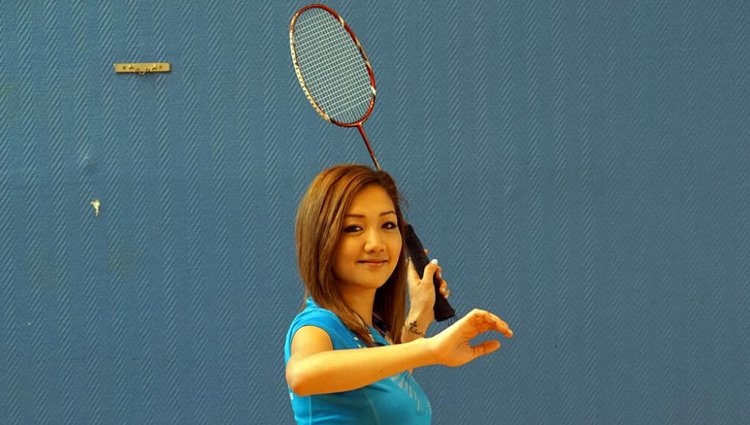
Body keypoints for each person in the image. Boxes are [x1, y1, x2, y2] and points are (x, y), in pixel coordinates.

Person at [284, 164, 513, 424]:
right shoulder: (317, 325)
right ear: (321, 239)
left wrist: (420, 315)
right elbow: (302, 375)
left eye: (388, 224)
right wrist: (429, 350)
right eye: (354, 228)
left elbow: (387, 382)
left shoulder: (369, 329)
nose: (376, 244)